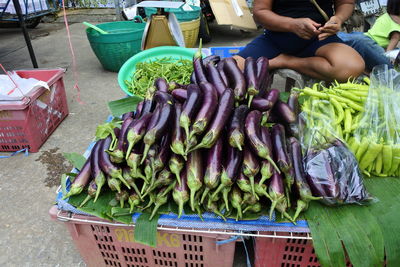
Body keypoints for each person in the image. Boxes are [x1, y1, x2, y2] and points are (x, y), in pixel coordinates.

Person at [233, 0, 365, 82]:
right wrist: (292, 24)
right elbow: (260, 12)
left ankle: (284, 61)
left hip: (320, 38)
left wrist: (339, 18)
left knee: (351, 66)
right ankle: (279, 59)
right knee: (232, 68)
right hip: (276, 39)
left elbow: (345, 3)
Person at [337, 0, 400, 72]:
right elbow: (394, 40)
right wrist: (389, 58)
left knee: (350, 37)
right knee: (387, 65)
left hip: (365, 36)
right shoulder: (397, 23)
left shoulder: (386, 15)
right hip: (369, 42)